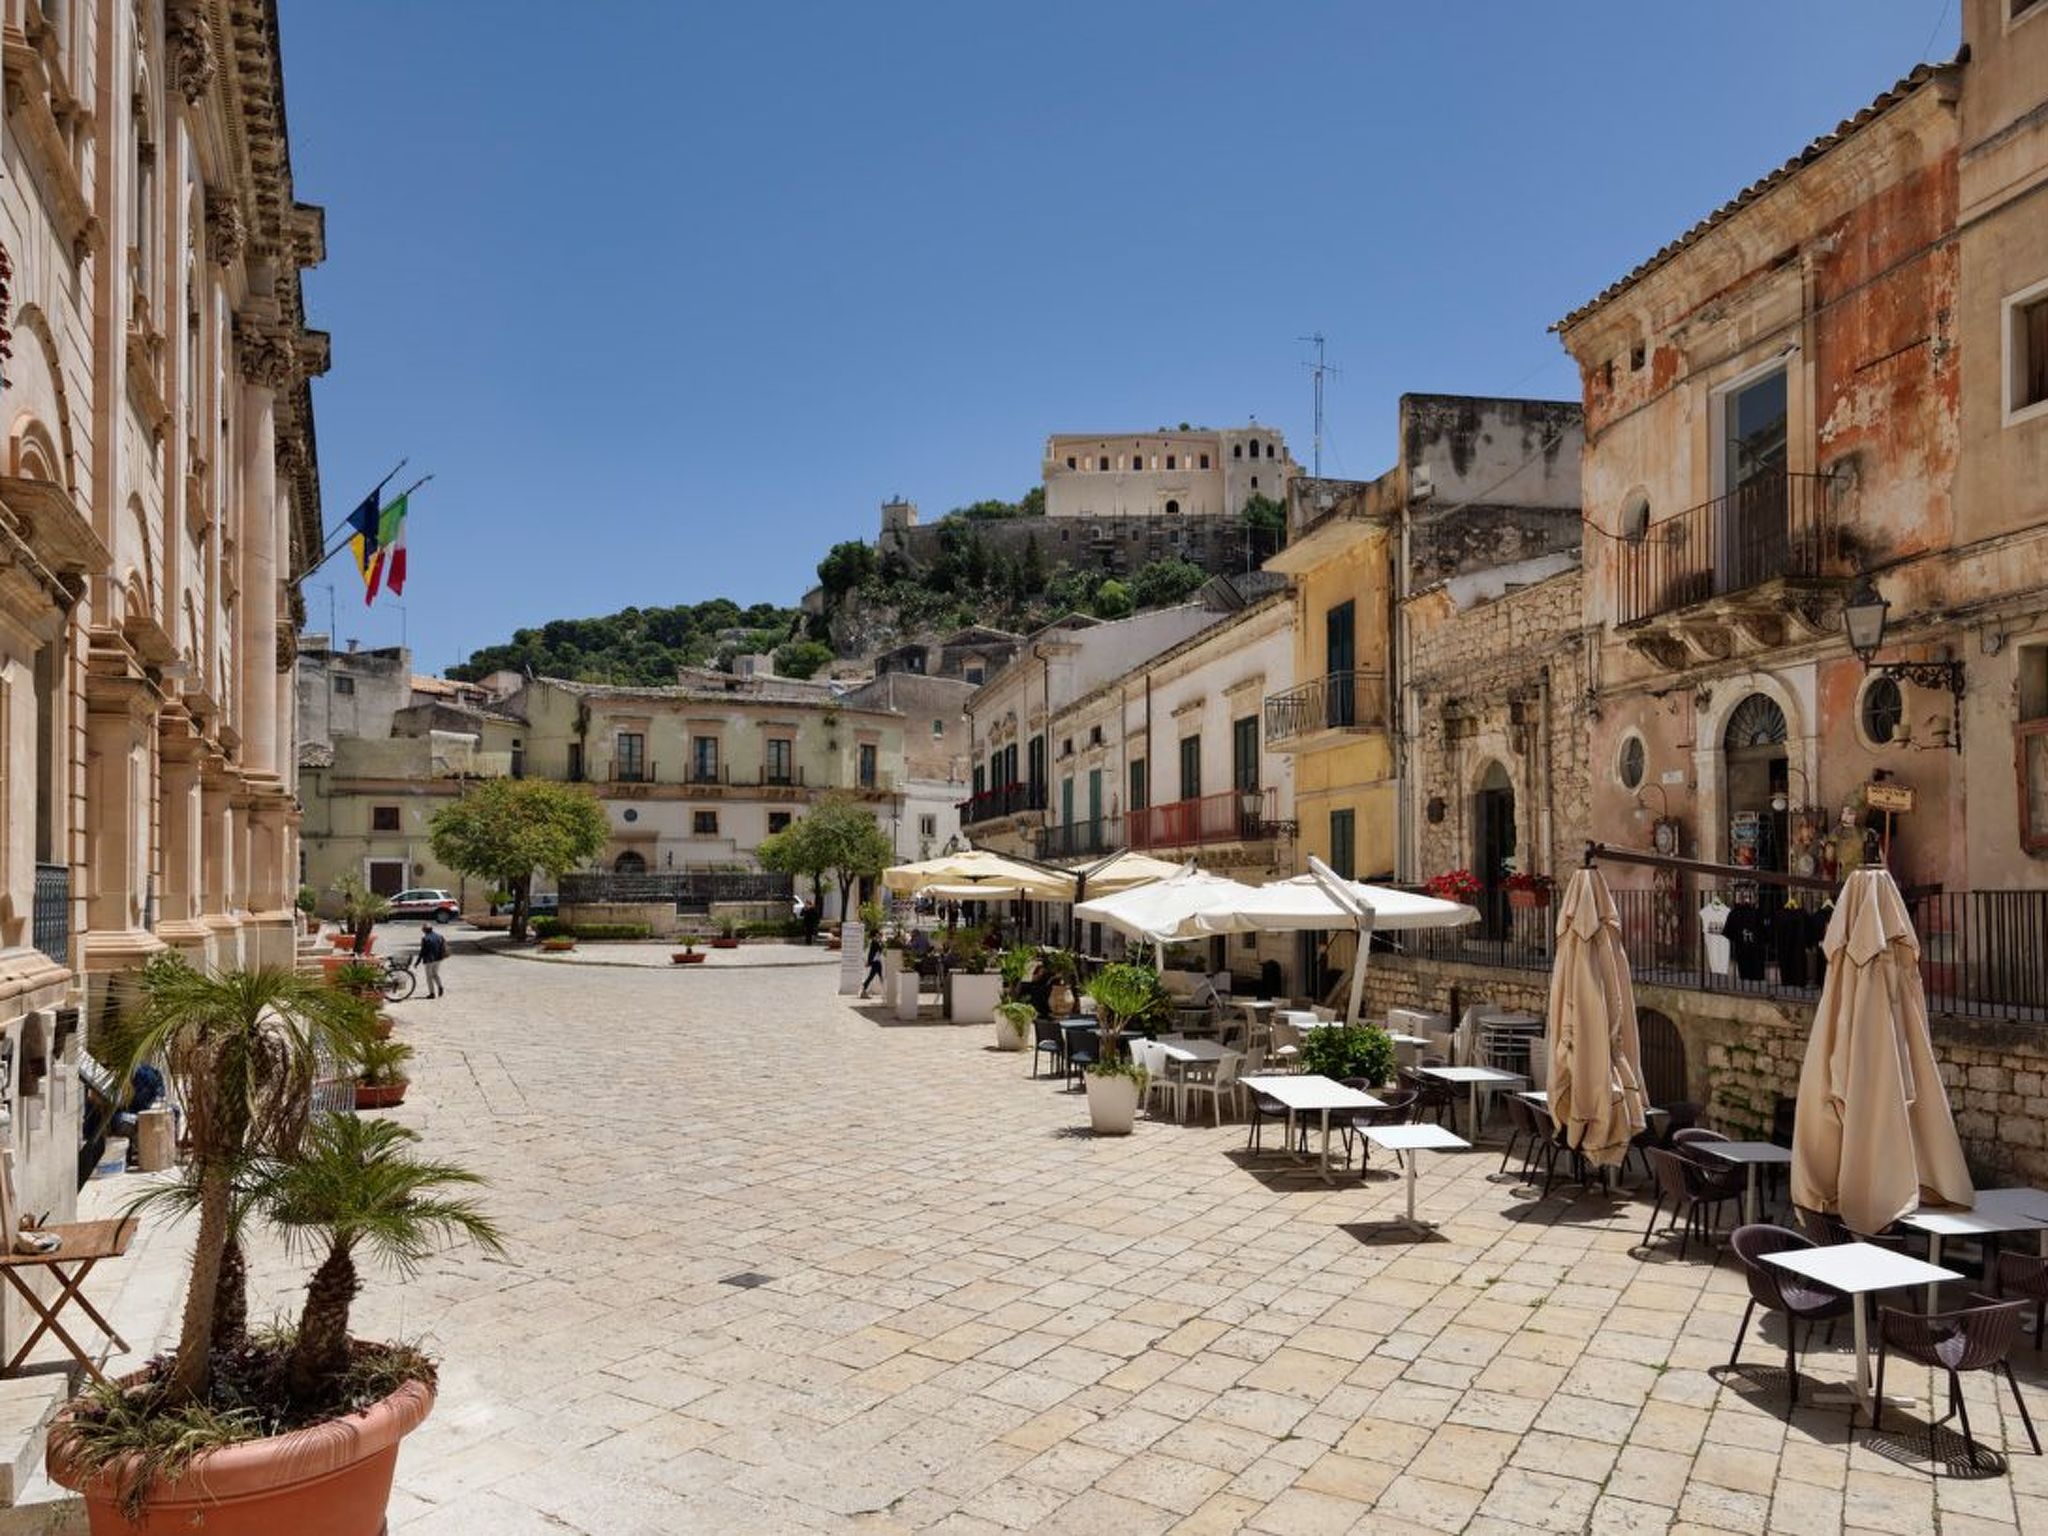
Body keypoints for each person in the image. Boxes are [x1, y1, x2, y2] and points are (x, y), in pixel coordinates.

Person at [419, 922, 449, 998]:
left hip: (429, 960)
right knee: (435, 974)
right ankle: (440, 986)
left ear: (424, 930)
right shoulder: (439, 936)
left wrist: (417, 961)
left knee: (429, 977)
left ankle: (432, 993)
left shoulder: (425, 939)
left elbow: (422, 951)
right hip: (438, 959)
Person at [860, 930, 885, 997]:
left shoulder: (876, 941)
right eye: (878, 934)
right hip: (875, 962)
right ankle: (864, 990)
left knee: (880, 976)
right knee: (874, 977)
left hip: (877, 962)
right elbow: (871, 953)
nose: (879, 935)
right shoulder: (874, 942)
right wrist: (869, 962)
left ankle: (885, 992)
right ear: (875, 934)